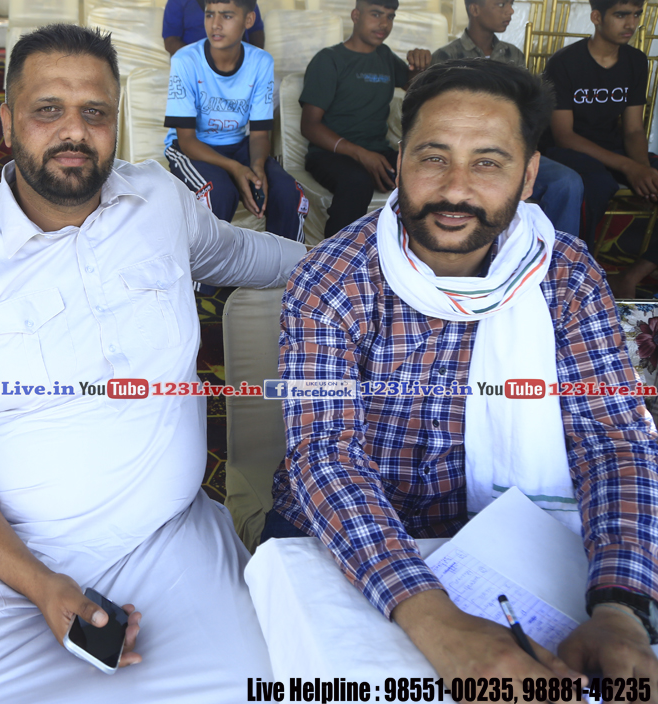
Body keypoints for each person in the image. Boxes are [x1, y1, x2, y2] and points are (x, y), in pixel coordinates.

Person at [0, 23, 305, 703]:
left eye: (95, 112)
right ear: (7, 122)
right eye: (47, 110)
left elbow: (235, 253)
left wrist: (346, 263)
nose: (74, 133)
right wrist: (40, 584)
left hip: (167, 537)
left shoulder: (159, 201)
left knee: (256, 689)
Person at [268, 59, 658, 685]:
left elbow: (612, 437)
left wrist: (621, 607)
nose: (455, 189)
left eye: (488, 162)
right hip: (348, 530)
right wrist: (438, 621)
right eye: (433, 157)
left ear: (528, 176)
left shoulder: (566, 276)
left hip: (516, 536)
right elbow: (325, 453)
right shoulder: (333, 278)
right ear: (400, 163)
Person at [432, 0, 584, 238]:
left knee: (567, 182)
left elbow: (527, 108)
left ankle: (557, 257)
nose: (510, 11)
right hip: (465, 152)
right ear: (474, 9)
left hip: (510, 150)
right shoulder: (446, 58)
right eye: (501, 4)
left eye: (511, 4)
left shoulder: (513, 55)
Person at [164, 0, 307, 241]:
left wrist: (257, 167)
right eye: (209, 14)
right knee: (218, 192)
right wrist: (236, 169)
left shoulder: (261, 62)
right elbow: (186, 140)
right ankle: (205, 271)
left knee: (289, 192)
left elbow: (260, 134)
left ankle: (285, 266)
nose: (215, 24)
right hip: (191, 148)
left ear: (248, 20)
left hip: (239, 146)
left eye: (227, 16)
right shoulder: (185, 61)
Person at [544, 0, 658, 298]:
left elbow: (633, 129)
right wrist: (628, 167)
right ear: (597, 17)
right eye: (621, 14)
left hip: (613, 148)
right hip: (568, 152)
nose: (631, 23)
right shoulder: (565, 63)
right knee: (595, 185)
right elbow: (564, 136)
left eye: (636, 14)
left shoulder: (635, 61)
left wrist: (641, 170)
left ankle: (633, 275)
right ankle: (578, 275)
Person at [300, 0, 432, 238]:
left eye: (390, 16)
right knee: (357, 181)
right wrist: (361, 154)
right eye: (376, 14)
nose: (384, 24)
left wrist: (420, 64)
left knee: (426, 168)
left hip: (377, 151)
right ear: (356, 15)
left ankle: (413, 250)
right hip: (329, 154)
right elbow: (309, 126)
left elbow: (415, 87)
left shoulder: (384, 56)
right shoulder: (329, 59)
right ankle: (336, 256)